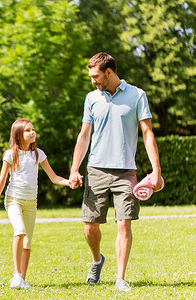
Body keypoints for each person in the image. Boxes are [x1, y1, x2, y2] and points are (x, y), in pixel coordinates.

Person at [68, 52, 162, 292]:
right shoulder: (91, 98)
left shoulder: (137, 95)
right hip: (96, 168)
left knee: (124, 224)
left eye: (96, 76)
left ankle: (120, 278)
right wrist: (74, 169)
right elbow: (84, 135)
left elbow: (147, 133)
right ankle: (98, 260)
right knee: (90, 226)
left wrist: (156, 171)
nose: (93, 81)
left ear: (109, 72)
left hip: (125, 171)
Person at [0, 119, 69, 288]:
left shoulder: (39, 154)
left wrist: (69, 182)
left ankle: (22, 280)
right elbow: (1, 181)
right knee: (20, 231)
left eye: (33, 129)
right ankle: (17, 276)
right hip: (13, 200)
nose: (32, 133)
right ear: (18, 134)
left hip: (31, 203)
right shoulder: (10, 154)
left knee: (27, 241)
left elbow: (54, 178)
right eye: (27, 130)